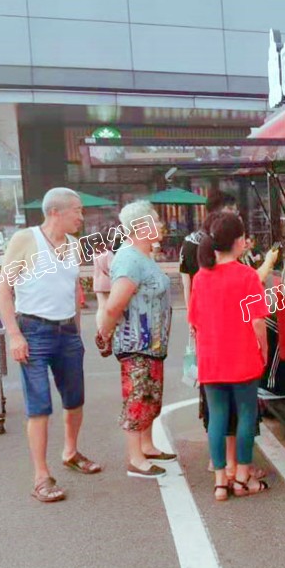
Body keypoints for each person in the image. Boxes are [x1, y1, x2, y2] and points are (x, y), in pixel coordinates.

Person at [0, 187, 102, 503]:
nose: (81, 217)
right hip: (34, 330)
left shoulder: (72, 246)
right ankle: (41, 476)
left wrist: (78, 330)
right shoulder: (26, 239)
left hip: (67, 331)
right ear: (55, 212)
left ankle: (70, 451)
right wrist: (14, 334)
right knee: (39, 404)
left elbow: (73, 290)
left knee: (75, 400)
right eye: (77, 211)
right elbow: (3, 289)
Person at [187, 212, 270, 501]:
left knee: (218, 417)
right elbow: (258, 322)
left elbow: (195, 322)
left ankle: (221, 481)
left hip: (212, 358)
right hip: (243, 355)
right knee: (247, 414)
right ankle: (243, 478)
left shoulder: (201, 277)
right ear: (238, 242)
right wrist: (265, 351)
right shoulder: (247, 276)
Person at [96, 201, 174, 479]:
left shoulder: (143, 256)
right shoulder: (130, 259)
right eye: (155, 220)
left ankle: (147, 446)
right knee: (138, 397)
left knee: (150, 395)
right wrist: (104, 333)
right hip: (136, 343)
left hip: (151, 343)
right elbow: (115, 304)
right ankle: (136, 457)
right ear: (141, 226)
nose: (161, 224)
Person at [92, 229, 118, 332]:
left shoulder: (95, 253)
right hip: (108, 283)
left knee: (101, 307)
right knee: (110, 307)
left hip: (98, 282)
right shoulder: (108, 254)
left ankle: (100, 328)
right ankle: (109, 327)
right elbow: (111, 268)